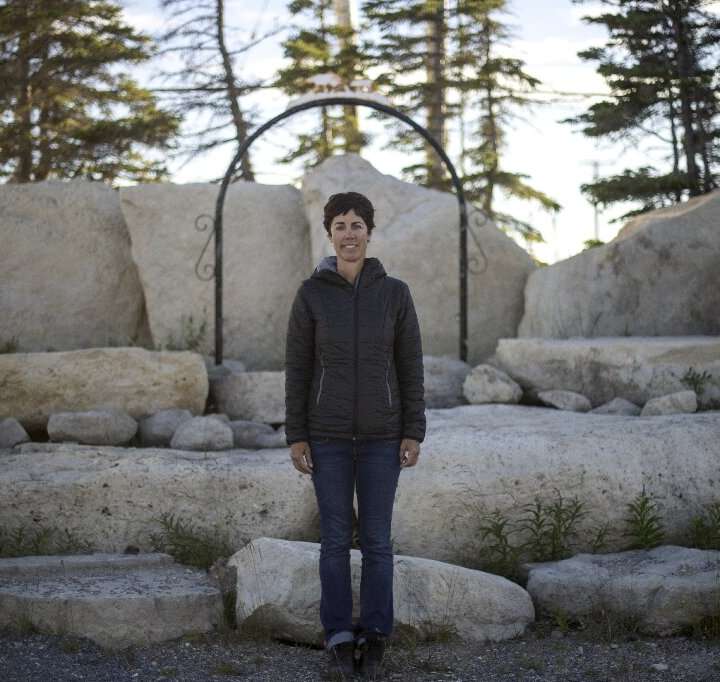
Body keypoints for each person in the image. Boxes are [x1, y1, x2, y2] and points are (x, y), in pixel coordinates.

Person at [285, 191, 426, 679]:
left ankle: (377, 635)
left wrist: (413, 430)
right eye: (340, 225)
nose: (349, 233)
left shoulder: (395, 294)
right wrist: (296, 435)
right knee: (334, 542)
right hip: (325, 437)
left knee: (379, 542)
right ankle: (340, 637)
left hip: (383, 438)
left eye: (357, 225)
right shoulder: (311, 294)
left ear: (370, 231)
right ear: (330, 233)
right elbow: (297, 369)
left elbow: (410, 366)